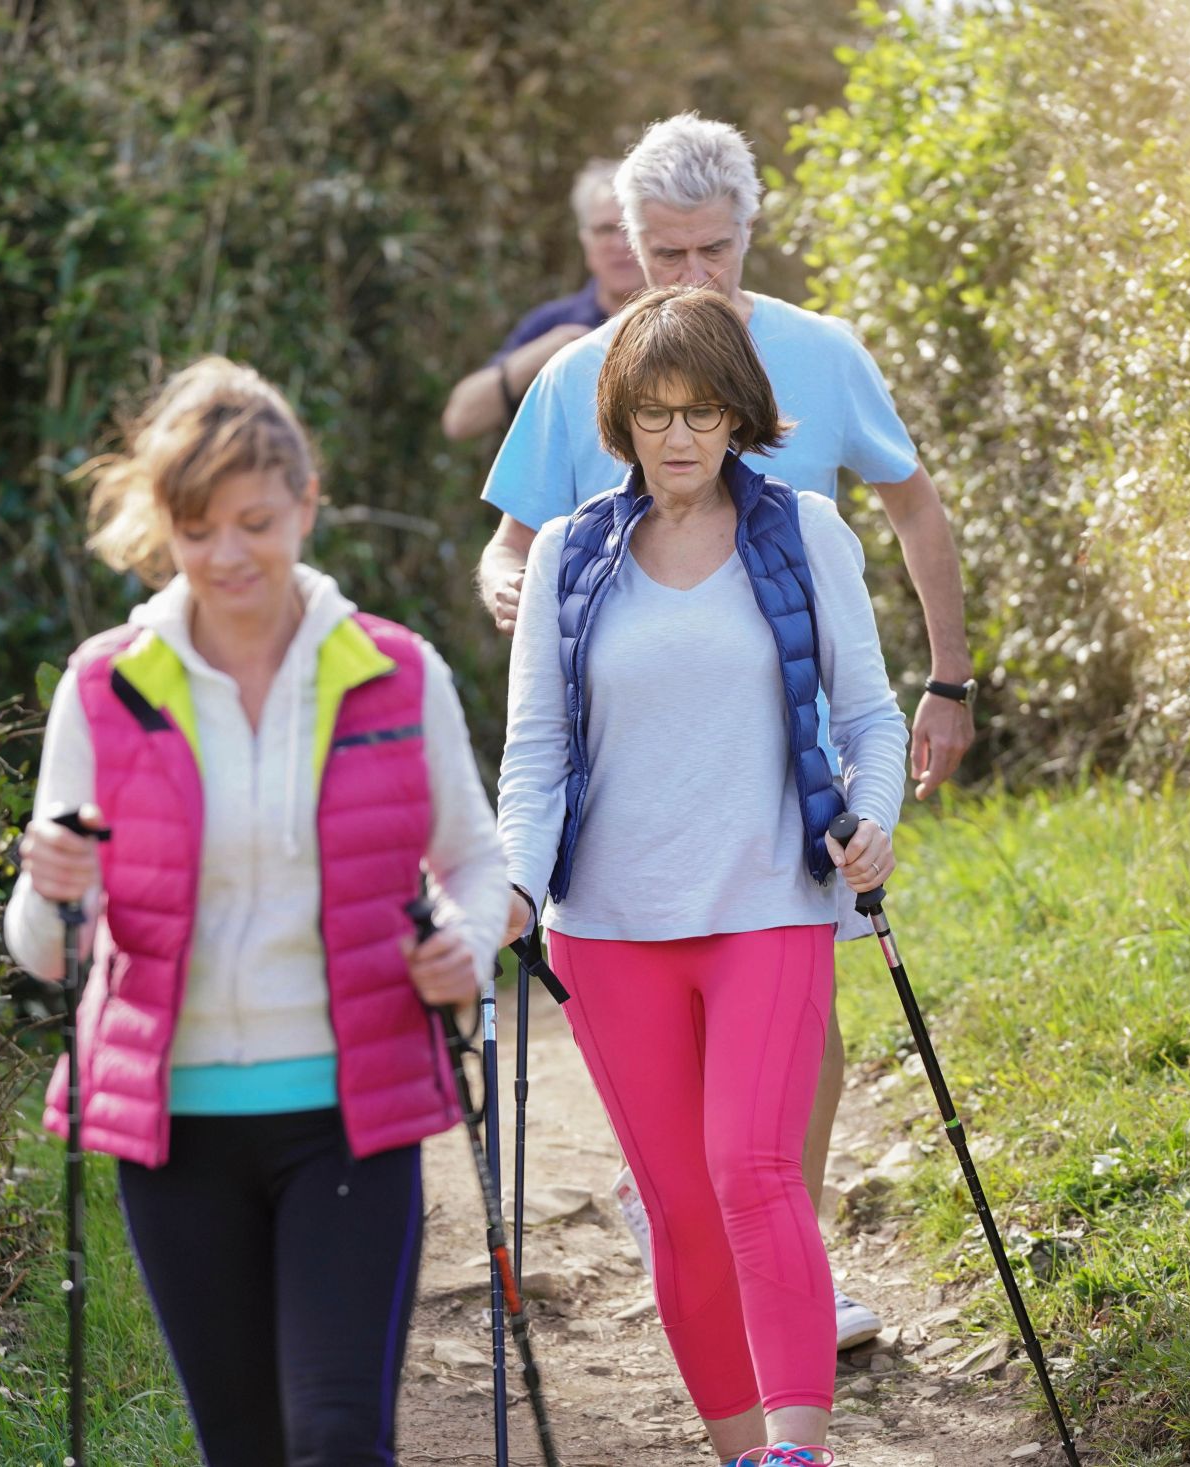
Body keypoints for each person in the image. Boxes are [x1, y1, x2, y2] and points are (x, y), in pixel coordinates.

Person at [477, 112, 978, 1353]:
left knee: (800, 1025)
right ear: (625, 246)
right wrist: (509, 584)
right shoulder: (583, 373)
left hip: (795, 775)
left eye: (714, 251)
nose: (692, 279)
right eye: (664, 255)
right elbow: (515, 542)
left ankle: (781, 1252)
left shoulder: (820, 353)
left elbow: (914, 512)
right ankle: (709, 1241)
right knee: (677, 1044)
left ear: (751, 233)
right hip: (640, 769)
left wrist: (949, 680)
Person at [6, 357, 508, 1467]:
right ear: (162, 530)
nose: (226, 555)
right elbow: (44, 952)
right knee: (243, 1450)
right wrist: (51, 887)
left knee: (336, 1441)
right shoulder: (104, 685)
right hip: (174, 1130)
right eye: (195, 529)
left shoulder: (394, 671)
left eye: (254, 522)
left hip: (349, 1113)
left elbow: (477, 862)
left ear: (306, 504)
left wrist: (464, 951)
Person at [496, 285, 907, 1466]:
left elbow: (871, 718)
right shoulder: (573, 552)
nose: (678, 438)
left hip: (767, 904)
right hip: (607, 926)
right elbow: (536, 753)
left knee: (751, 1169)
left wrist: (871, 817)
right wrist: (519, 885)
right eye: (655, 414)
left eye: (703, 412)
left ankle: (794, 1449)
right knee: (675, 1205)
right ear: (620, 421)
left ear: (740, 418)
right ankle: (737, 1452)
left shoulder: (804, 532)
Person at [439, 159, 645, 441]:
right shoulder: (553, 324)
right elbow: (459, 421)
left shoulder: (684, 322)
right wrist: (551, 353)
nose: (619, 245)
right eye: (604, 230)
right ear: (585, 241)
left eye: (628, 228)